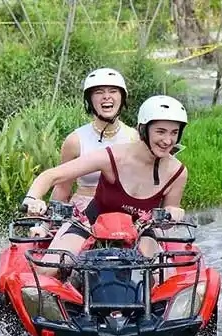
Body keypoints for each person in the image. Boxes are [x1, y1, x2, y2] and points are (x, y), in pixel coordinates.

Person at [22, 95, 190, 278]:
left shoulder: (177, 172)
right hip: (90, 224)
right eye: (161, 131)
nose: (168, 140)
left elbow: (166, 222)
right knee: (48, 270)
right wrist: (32, 199)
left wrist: (174, 211)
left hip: (141, 230)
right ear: (144, 129)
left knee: (164, 277)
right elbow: (51, 176)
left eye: (174, 133)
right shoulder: (113, 157)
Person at [50, 67, 139, 214]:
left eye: (113, 91)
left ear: (122, 97)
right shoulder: (75, 140)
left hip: (124, 211)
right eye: (99, 92)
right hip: (83, 211)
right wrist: (45, 224)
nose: (106, 96)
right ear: (89, 100)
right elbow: (62, 188)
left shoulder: (135, 138)